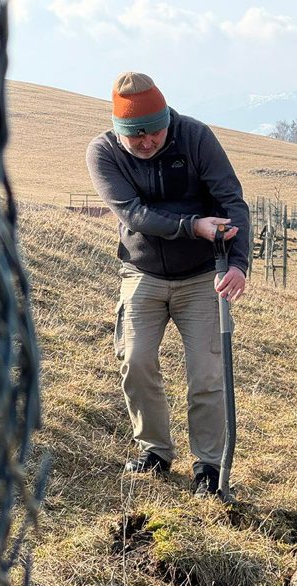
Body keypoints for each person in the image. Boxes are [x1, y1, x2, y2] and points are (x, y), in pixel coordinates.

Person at [86, 72, 249, 496]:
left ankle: (209, 467)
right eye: (135, 136)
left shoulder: (195, 137)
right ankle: (155, 452)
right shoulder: (104, 153)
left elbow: (231, 199)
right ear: (119, 131)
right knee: (135, 361)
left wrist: (238, 264)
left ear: (167, 118)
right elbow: (134, 215)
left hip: (201, 277)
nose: (146, 143)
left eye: (154, 132)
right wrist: (192, 225)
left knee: (207, 374)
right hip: (142, 274)